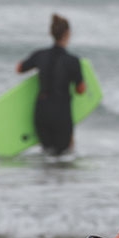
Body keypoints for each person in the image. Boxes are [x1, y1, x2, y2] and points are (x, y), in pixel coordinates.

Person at [17, 14, 88, 157]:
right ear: (68, 34)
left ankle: (45, 179)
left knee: (47, 154)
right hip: (61, 114)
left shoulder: (40, 55)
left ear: (51, 34)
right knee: (64, 156)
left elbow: (19, 69)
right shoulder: (73, 61)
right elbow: (80, 90)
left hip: (41, 112)